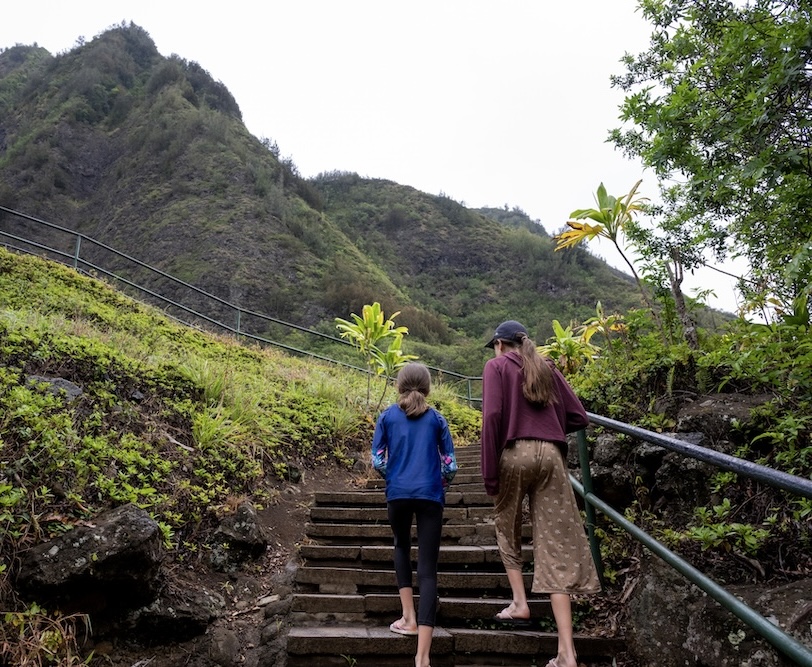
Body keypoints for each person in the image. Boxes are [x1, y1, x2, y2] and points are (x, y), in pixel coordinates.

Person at [480, 320, 601, 667]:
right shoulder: (545, 366)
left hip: (514, 453)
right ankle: (566, 652)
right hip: (551, 456)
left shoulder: (496, 367)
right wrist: (547, 425)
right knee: (556, 544)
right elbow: (578, 416)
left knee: (507, 526)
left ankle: (519, 602)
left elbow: (492, 418)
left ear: (501, 345)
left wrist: (490, 474)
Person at [371, 362, 458, 667]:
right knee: (428, 569)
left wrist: (394, 476)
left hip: (398, 494)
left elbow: (377, 459)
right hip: (430, 495)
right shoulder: (437, 419)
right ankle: (423, 657)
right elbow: (450, 465)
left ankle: (407, 617)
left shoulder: (387, 416)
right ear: (428, 386)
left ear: (400, 384)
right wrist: (439, 483)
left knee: (401, 546)